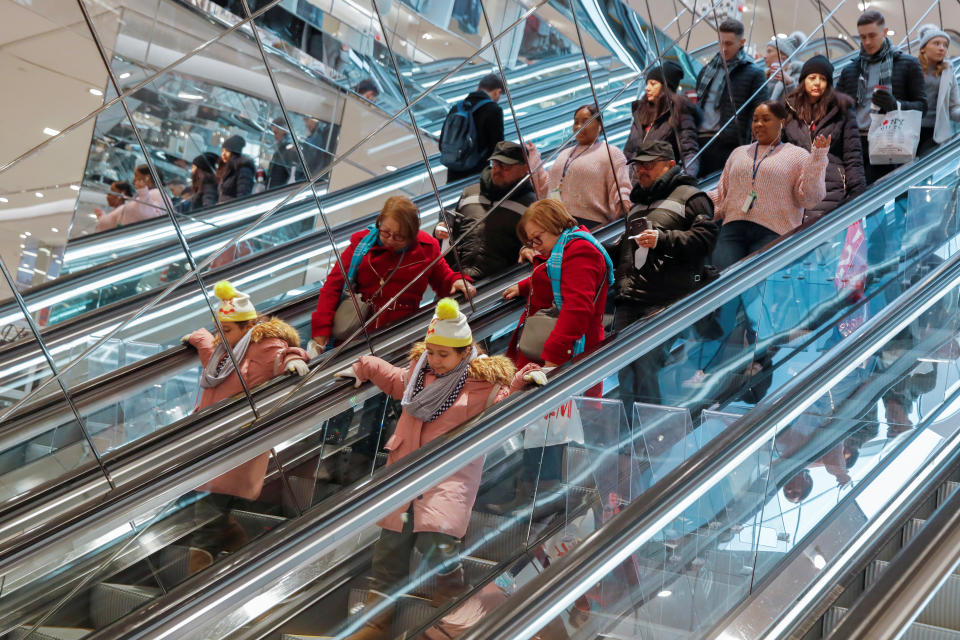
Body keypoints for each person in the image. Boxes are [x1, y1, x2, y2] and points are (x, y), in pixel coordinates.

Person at [336, 298, 544, 640]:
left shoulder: (480, 385)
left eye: (442, 355)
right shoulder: (417, 378)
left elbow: (505, 402)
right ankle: (376, 621)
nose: (434, 360)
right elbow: (387, 374)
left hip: (449, 478)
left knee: (438, 539)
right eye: (430, 352)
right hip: (405, 475)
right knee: (390, 548)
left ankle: (450, 598)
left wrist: (524, 378)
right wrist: (360, 367)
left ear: (464, 353)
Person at [612, 141, 718, 406]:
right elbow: (625, 249)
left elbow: (706, 239)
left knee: (648, 367)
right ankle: (628, 438)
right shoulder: (637, 205)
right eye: (638, 166)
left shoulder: (691, 197)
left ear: (670, 164)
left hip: (664, 299)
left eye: (649, 165)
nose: (642, 171)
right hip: (629, 298)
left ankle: (649, 438)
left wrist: (663, 238)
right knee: (624, 370)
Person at [309, 196, 476, 356]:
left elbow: (444, 278)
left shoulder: (427, 247)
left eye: (399, 237)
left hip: (399, 335)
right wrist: (321, 330)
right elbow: (332, 287)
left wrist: (458, 281)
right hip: (358, 330)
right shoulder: (362, 244)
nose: (390, 240)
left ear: (412, 233)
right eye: (385, 233)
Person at [710, 100, 830, 269]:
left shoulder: (798, 155)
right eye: (755, 119)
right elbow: (721, 196)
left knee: (759, 290)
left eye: (766, 119)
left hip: (774, 233)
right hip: (732, 229)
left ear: (781, 122)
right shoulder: (738, 153)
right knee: (721, 287)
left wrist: (818, 158)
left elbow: (810, 199)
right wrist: (690, 204)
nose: (758, 124)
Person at [503, 198, 614, 369]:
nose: (535, 246)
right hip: (548, 348)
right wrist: (524, 286)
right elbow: (555, 274)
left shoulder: (580, 251)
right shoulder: (562, 248)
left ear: (555, 225)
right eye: (531, 241)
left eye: (537, 238)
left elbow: (577, 309)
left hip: (566, 354)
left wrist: (554, 356)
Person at [835, 10, 926, 184]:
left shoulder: (907, 64)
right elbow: (838, 106)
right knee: (858, 197)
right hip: (856, 143)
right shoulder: (851, 70)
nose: (867, 42)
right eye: (862, 37)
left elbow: (922, 106)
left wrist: (895, 104)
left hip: (891, 140)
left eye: (872, 35)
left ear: (885, 32)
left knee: (891, 195)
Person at [434, 141, 538, 280]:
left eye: (505, 166)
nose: (497, 170)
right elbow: (453, 223)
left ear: (524, 168)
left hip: (495, 286)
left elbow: (535, 244)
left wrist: (527, 249)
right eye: (494, 164)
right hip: (458, 280)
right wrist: (442, 226)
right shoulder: (470, 193)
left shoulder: (531, 206)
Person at [782, 55, 866, 223]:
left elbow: (852, 155)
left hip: (830, 187)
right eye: (812, 78)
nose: (817, 83)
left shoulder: (841, 110)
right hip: (794, 187)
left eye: (823, 79)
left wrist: (858, 194)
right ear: (803, 80)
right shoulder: (787, 109)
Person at [529, 105, 632, 227]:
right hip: (554, 220)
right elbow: (547, 186)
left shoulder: (611, 152)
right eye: (576, 122)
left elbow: (622, 186)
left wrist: (624, 207)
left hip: (589, 225)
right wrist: (533, 156)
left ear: (600, 126)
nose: (578, 127)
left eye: (585, 121)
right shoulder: (564, 153)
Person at [696, 19, 770, 176]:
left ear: (741, 42)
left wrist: (752, 149)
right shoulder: (708, 70)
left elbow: (759, 113)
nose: (723, 48)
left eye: (729, 44)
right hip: (700, 142)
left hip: (729, 145)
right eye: (720, 43)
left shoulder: (754, 73)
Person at [623, 61, 702, 178]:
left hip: (658, 182)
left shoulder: (679, 112)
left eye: (653, 84)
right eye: (647, 83)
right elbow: (628, 152)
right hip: (634, 183)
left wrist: (686, 179)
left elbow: (689, 151)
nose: (647, 88)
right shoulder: (641, 113)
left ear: (666, 87)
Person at [440, 73, 505, 183]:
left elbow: (443, 138)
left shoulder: (457, 107)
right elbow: (497, 145)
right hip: (476, 169)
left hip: (453, 165)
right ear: (497, 91)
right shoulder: (494, 110)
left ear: (478, 88)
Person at [916, 24, 960, 155]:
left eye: (945, 45)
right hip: (909, 130)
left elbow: (953, 108)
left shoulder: (948, 72)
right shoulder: (911, 68)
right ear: (923, 48)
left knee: (925, 168)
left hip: (935, 133)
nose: (942, 48)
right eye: (936, 43)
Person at [94, 164, 165, 231]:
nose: (134, 180)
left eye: (136, 175)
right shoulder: (147, 195)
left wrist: (143, 193)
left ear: (147, 178)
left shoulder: (156, 195)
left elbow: (151, 217)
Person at [764, 32, 806, 102]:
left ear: (783, 56)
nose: (765, 56)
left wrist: (790, 84)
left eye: (769, 51)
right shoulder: (765, 76)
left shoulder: (797, 78)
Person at [217, 134, 256, 202]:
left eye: (226, 151)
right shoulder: (228, 168)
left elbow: (243, 195)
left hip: (231, 209)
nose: (223, 154)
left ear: (234, 152)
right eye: (222, 151)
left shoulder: (243, 169)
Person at [266, 117, 302, 189]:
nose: (275, 136)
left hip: (279, 193)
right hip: (275, 191)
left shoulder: (291, 150)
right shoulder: (281, 149)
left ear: (284, 131)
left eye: (276, 133)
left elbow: (293, 177)